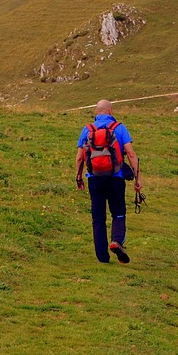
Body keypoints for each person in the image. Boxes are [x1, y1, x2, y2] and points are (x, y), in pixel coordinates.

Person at [74, 99, 142, 264]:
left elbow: (80, 157)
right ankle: (116, 241)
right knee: (118, 213)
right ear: (111, 111)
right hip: (116, 178)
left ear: (96, 112)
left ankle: (102, 257)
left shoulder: (87, 129)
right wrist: (137, 178)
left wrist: (78, 177)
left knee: (98, 218)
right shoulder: (119, 128)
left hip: (94, 179)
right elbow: (131, 154)